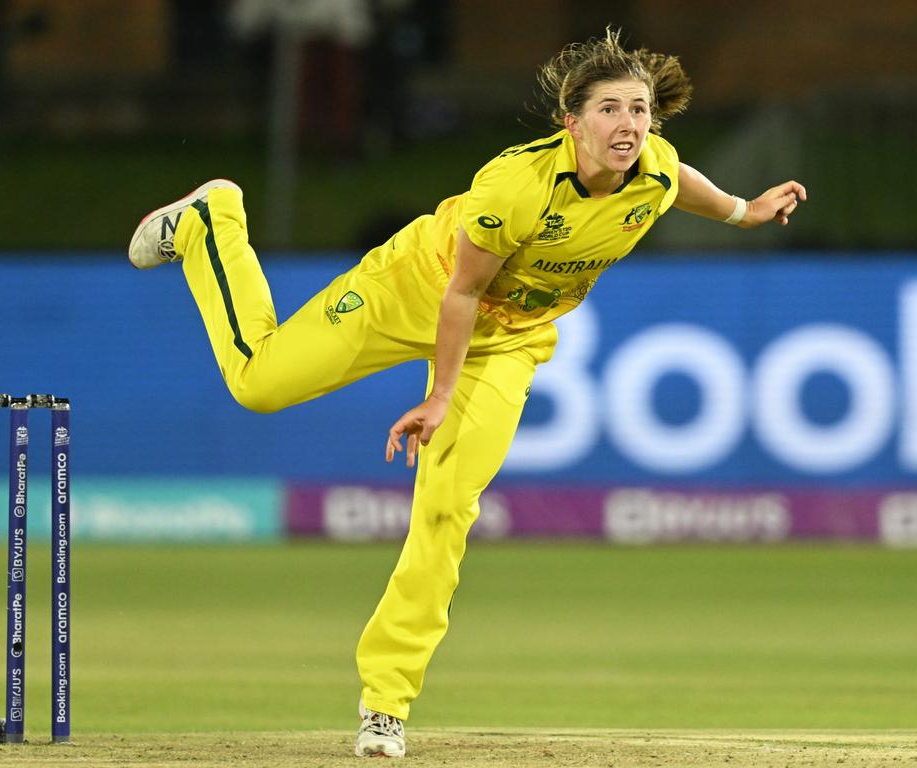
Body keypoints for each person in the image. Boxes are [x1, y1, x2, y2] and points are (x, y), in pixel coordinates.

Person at [128, 27, 805, 758]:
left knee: (447, 509)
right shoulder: (514, 185)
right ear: (570, 121)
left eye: (640, 110)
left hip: (508, 342)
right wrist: (439, 395)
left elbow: (681, 185)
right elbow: (461, 292)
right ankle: (212, 220)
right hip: (412, 291)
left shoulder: (654, 167)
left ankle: (385, 703)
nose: (630, 125)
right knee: (258, 384)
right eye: (610, 109)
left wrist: (744, 210)